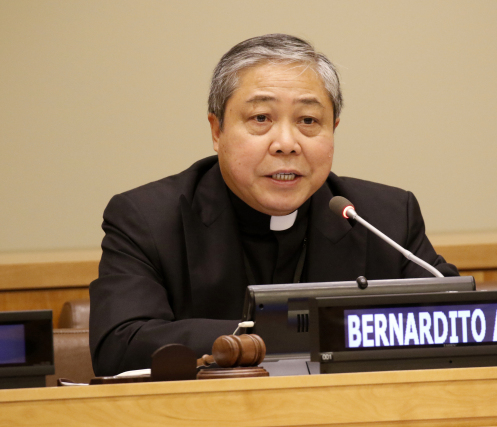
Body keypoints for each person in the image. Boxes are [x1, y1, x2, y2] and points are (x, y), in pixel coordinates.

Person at [89, 34, 458, 376]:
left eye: (308, 120)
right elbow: (121, 343)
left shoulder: (385, 217)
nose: (286, 143)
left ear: (334, 130)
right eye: (261, 118)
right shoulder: (147, 219)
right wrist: (291, 334)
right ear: (217, 131)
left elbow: (455, 319)